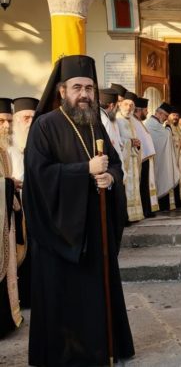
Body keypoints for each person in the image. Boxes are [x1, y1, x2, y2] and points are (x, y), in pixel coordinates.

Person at [23, 55, 133, 365]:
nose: (84, 94)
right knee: (65, 296)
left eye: (89, 88)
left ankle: (102, 347)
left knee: (96, 291)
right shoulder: (45, 125)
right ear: (62, 90)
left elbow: (115, 163)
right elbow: (38, 176)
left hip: (95, 229)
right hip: (60, 232)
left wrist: (111, 178)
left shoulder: (95, 123)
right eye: (77, 87)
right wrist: (84, 169)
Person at [7, 96, 38, 309]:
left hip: (34, 210)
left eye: (33, 118)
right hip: (13, 212)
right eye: (25, 118)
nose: (30, 123)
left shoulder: (38, 144)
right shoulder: (6, 148)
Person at [0, 97, 22, 338]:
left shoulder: (4, 151)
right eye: (1, 121)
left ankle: (7, 318)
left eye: (9, 121)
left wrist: (8, 185)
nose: (6, 126)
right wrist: (8, 184)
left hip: (4, 219)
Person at [145, 103, 179, 211]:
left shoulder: (155, 124)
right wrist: (168, 127)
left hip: (157, 158)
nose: (166, 119)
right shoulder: (152, 124)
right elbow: (166, 136)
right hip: (154, 159)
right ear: (159, 113)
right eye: (165, 116)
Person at [116, 91, 144, 222]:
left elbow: (133, 138)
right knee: (126, 187)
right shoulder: (116, 119)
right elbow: (116, 140)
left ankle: (135, 215)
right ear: (120, 104)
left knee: (134, 187)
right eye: (126, 104)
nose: (129, 107)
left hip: (132, 158)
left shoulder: (132, 120)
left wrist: (136, 144)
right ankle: (126, 216)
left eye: (131, 105)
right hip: (124, 160)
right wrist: (130, 142)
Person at [133, 96, 159, 217]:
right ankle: (145, 210)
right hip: (141, 158)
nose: (148, 112)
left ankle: (147, 209)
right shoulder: (134, 122)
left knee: (146, 184)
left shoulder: (138, 121)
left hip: (145, 157)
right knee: (143, 184)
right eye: (146, 110)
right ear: (139, 110)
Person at [99, 88, 124, 164]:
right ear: (112, 105)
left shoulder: (99, 115)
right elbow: (112, 146)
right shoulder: (105, 120)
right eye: (117, 105)